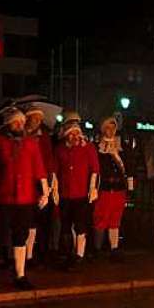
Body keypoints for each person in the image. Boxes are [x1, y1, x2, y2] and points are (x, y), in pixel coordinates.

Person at [0, 106, 49, 290]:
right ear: (8, 124)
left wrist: (44, 192)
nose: (20, 125)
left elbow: (39, 169)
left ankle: (20, 275)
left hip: (25, 199)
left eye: (22, 122)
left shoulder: (31, 143)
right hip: (2, 198)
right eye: (16, 122)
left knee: (20, 237)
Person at [55, 113, 99, 268]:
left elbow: (95, 169)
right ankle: (68, 253)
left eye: (76, 133)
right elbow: (56, 170)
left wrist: (92, 188)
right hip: (65, 194)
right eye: (71, 133)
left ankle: (80, 254)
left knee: (80, 224)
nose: (74, 136)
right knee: (66, 225)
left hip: (81, 194)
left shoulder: (88, 148)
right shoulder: (61, 149)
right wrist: (55, 189)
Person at [93, 116, 131, 260]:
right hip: (104, 188)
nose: (110, 130)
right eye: (107, 127)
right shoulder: (98, 148)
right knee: (101, 218)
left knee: (115, 219)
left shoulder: (121, 147)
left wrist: (130, 188)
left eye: (112, 127)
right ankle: (97, 248)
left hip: (119, 189)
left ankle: (114, 249)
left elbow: (128, 167)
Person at [23, 105, 55, 266]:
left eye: (39, 120)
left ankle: (34, 253)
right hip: (24, 180)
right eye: (34, 119)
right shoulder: (20, 136)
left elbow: (48, 160)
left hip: (39, 180)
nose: (36, 122)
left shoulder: (44, 138)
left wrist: (48, 183)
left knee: (38, 219)